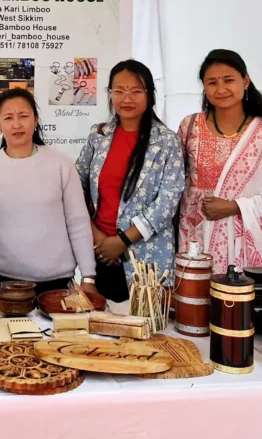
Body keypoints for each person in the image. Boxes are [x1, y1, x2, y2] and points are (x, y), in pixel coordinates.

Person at [178, 49, 262, 274]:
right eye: (212, 82)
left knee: (236, 304)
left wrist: (235, 206)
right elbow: (174, 178)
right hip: (193, 236)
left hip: (242, 242)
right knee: (193, 302)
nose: (221, 89)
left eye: (229, 80)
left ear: (245, 81)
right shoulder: (190, 126)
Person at [0, 89, 98, 301]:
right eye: (8, 118)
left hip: (59, 286)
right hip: (6, 286)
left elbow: (78, 223)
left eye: (24, 116)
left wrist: (88, 277)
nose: (17, 124)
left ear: (36, 120)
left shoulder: (60, 163)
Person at [76, 59, 184, 302]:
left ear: (150, 95)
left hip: (145, 257)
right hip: (99, 253)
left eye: (136, 91)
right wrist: (99, 238)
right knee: (98, 332)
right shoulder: (99, 134)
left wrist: (122, 240)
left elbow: (167, 202)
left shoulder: (167, 141)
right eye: (119, 91)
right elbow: (75, 185)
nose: (127, 98)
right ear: (110, 93)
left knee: (144, 332)